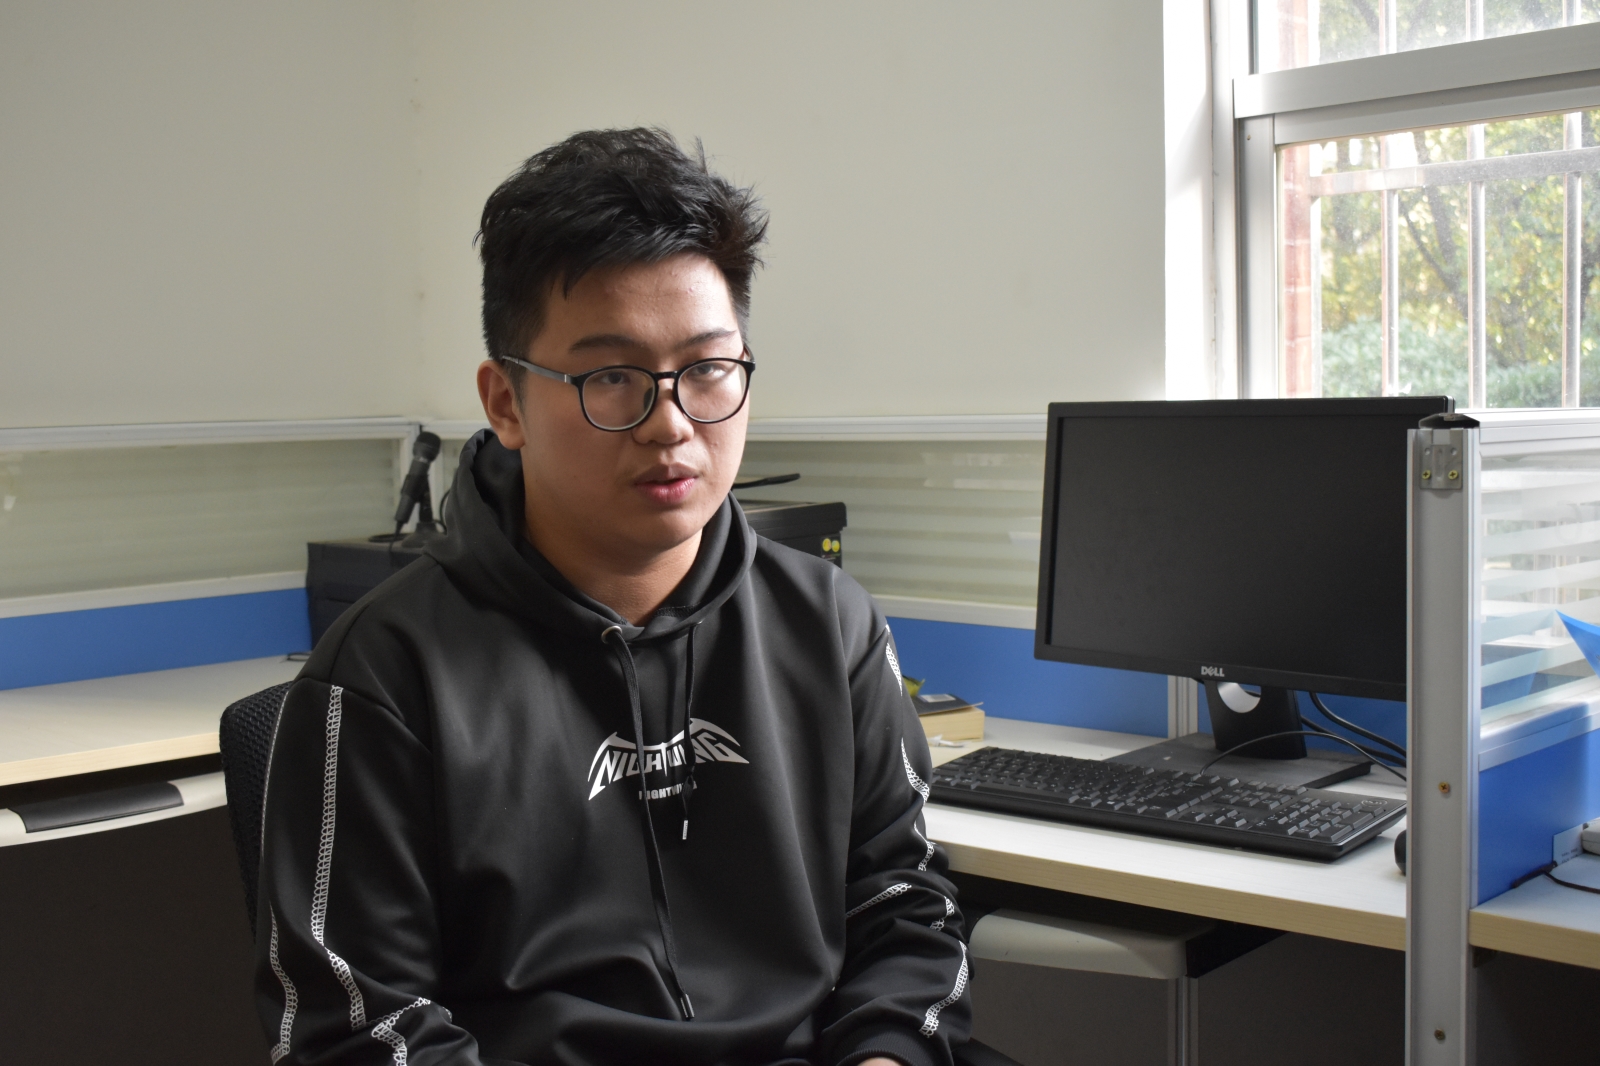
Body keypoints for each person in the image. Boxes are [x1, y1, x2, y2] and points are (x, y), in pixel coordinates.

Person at [255, 128, 970, 1066]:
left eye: (707, 369)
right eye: (611, 379)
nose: (669, 423)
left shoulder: (830, 625)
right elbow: (363, 1032)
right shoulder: (386, 676)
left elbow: (903, 909)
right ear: (505, 403)